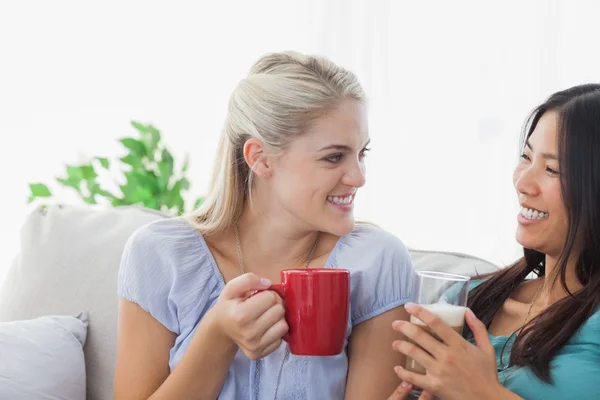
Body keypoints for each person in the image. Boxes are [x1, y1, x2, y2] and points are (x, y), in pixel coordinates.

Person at [114, 51, 417, 400]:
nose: (358, 177)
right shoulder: (160, 255)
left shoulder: (376, 261)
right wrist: (218, 336)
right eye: (334, 157)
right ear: (260, 159)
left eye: (361, 153)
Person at [388, 83, 600, 400]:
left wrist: (483, 393)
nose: (523, 182)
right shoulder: (468, 298)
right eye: (526, 157)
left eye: (552, 169)